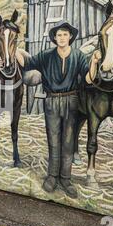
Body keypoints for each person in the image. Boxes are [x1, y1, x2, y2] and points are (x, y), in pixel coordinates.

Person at [17, 20, 101, 198]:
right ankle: (52, 177)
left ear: (70, 37)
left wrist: (93, 62)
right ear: (54, 38)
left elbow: (88, 79)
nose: (62, 38)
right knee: (54, 141)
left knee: (69, 142)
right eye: (58, 35)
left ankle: (66, 179)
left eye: (65, 34)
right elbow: (27, 64)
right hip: (51, 102)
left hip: (71, 101)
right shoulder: (46, 55)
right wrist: (13, 48)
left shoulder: (78, 56)